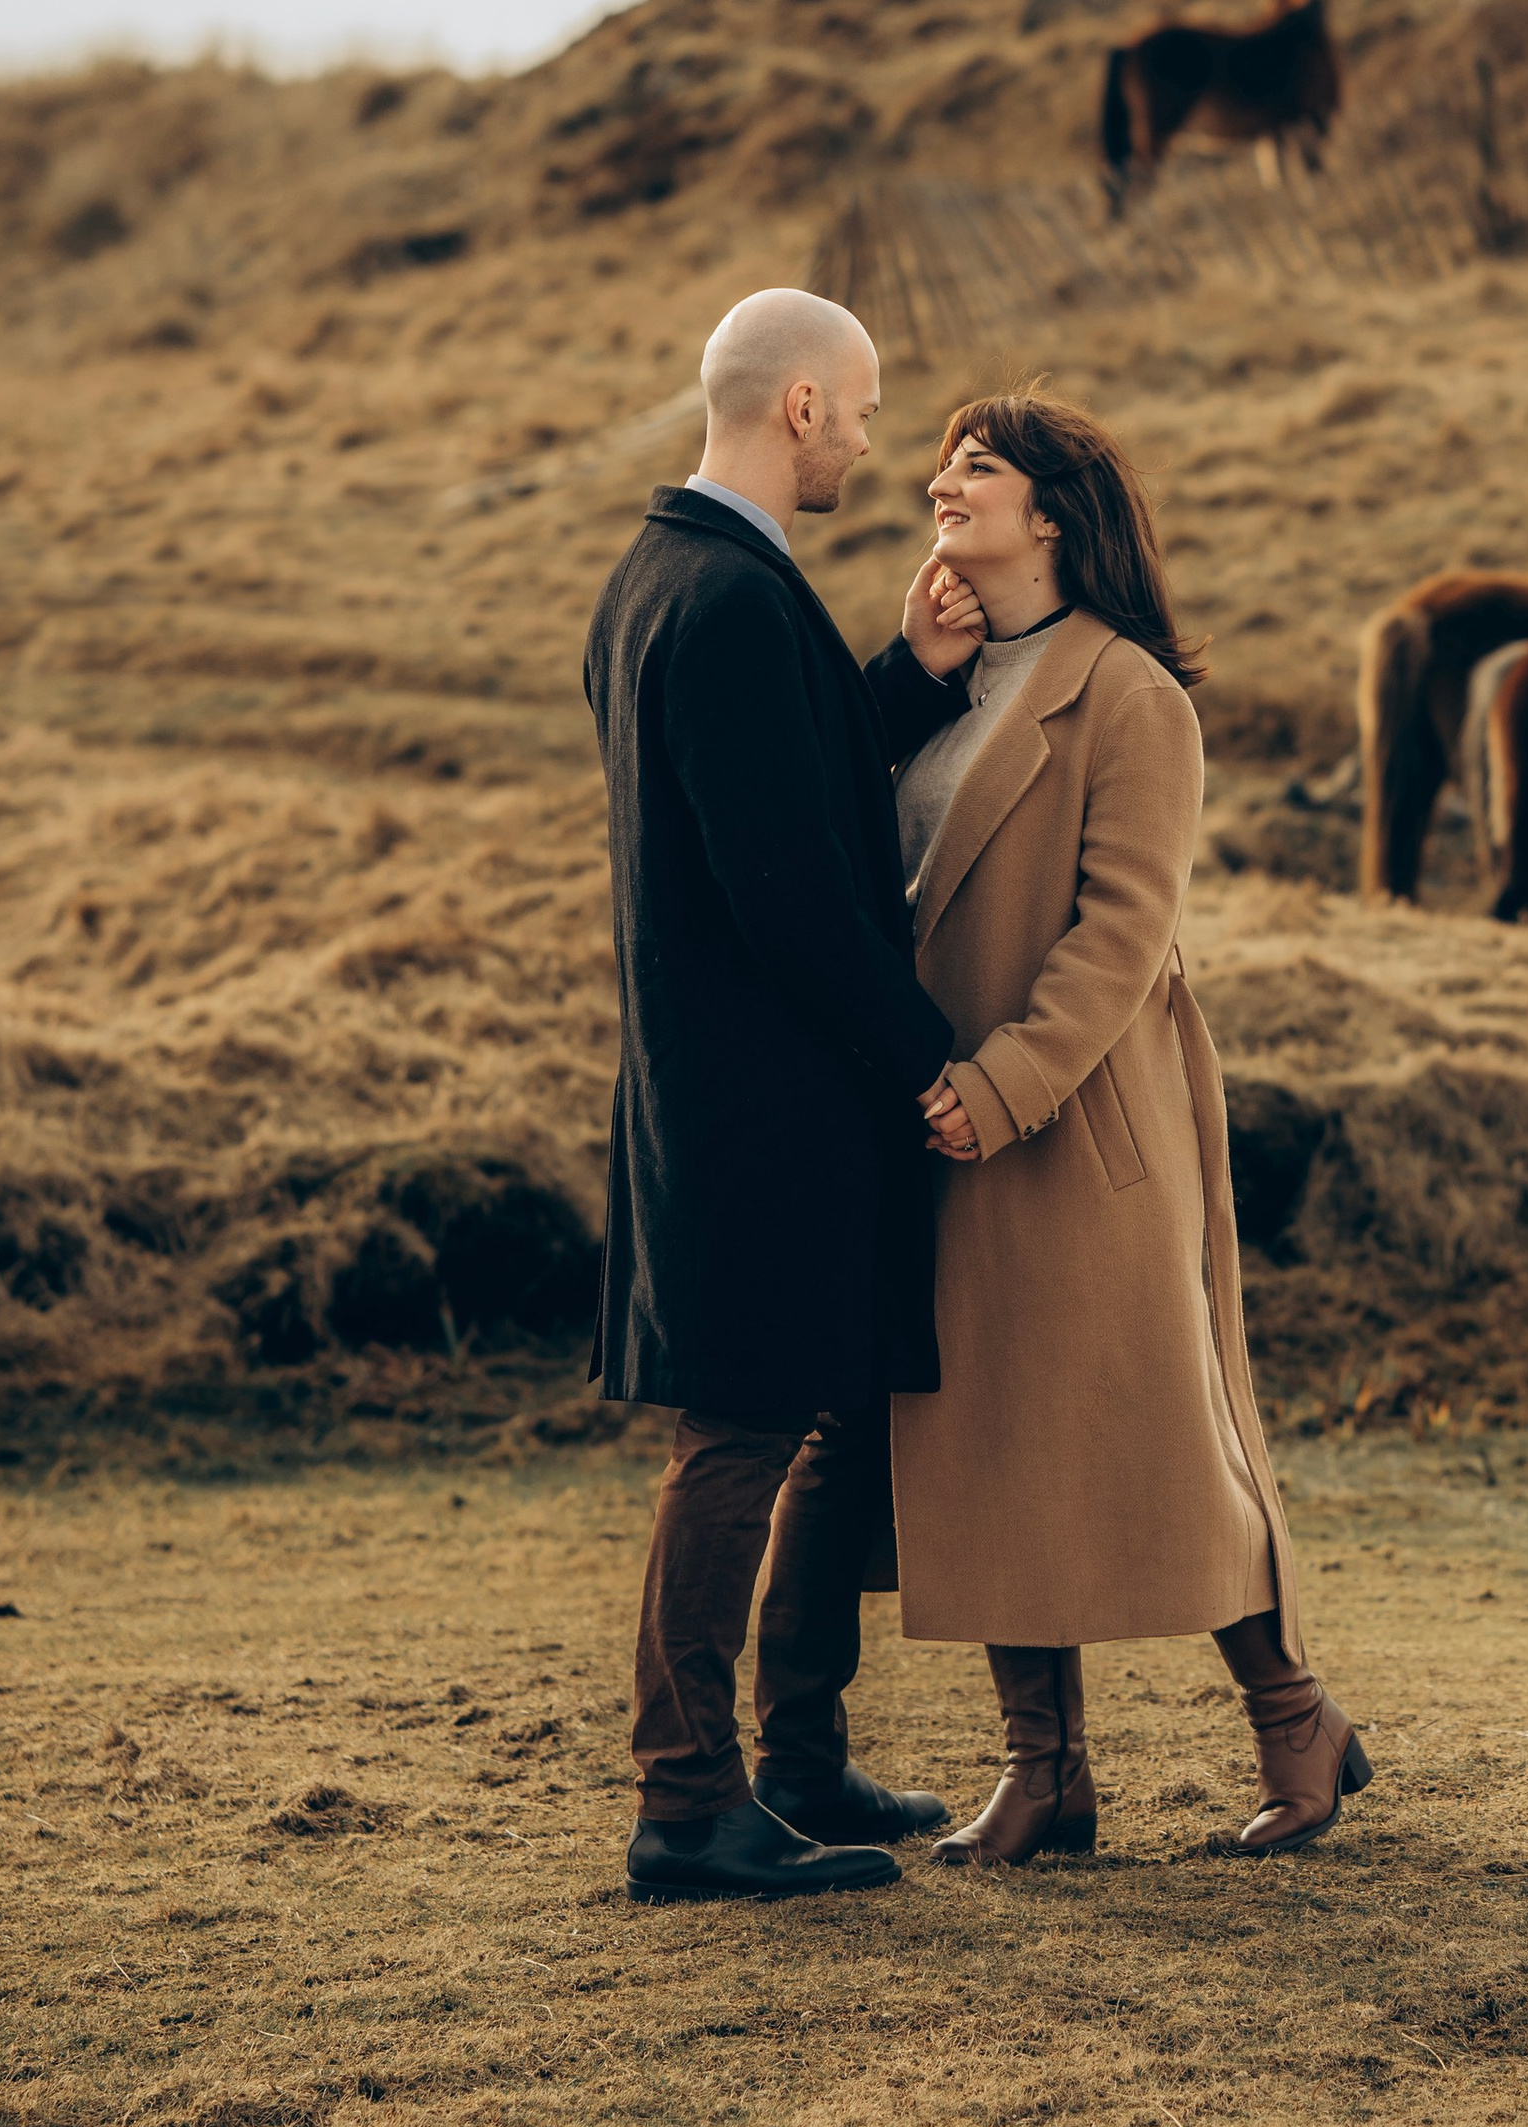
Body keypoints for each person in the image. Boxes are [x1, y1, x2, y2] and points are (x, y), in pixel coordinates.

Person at [868, 390, 1370, 1862]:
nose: (942, 483)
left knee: (1162, 1440)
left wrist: (1007, 1087)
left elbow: (1123, 936)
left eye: (979, 468)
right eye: (946, 462)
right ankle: (1047, 1773)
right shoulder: (950, 680)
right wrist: (910, 667)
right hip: (943, 1122)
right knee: (989, 1442)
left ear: (1055, 515)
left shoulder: (1134, 696)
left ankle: (1300, 1728)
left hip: (1081, 1125)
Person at [584, 288, 976, 1903]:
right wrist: (928, 1057)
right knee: (737, 1433)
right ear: (801, 406)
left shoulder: (670, 577)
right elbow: (789, 889)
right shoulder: (729, 597)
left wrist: (908, 675)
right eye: (868, 407)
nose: (878, 438)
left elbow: (772, 794)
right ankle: (688, 1803)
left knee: (807, 1416)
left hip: (733, 1084)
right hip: (760, 1100)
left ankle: (797, 1760)